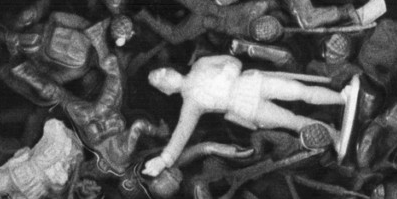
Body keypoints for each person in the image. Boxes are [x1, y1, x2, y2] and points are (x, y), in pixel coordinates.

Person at [142, 55, 356, 177]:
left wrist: (229, 72)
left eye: (162, 71)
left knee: (301, 91)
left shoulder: (200, 64)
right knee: (294, 122)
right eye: (160, 80)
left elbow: (232, 60)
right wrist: (164, 160)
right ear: (166, 91)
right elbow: (181, 133)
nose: (164, 75)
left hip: (253, 83)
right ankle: (334, 136)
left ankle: (342, 98)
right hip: (247, 109)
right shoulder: (191, 104)